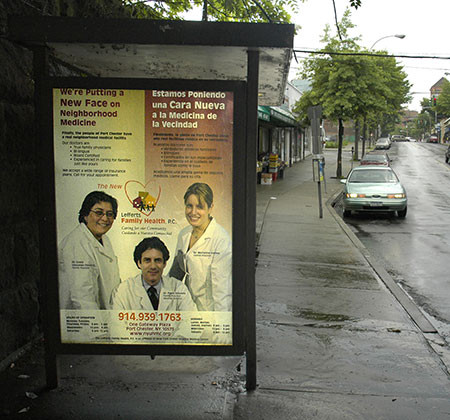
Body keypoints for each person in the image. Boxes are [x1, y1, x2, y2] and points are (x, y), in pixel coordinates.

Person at [169, 182, 232, 312]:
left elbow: (222, 293)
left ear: (210, 208)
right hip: (186, 310)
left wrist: (219, 328)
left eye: (200, 207)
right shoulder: (184, 234)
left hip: (208, 313)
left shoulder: (220, 240)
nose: (193, 212)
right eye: (189, 206)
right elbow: (175, 275)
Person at [58, 191, 121, 310]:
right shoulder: (76, 244)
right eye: (98, 213)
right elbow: (82, 298)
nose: (105, 218)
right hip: (86, 321)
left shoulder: (104, 239)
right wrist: (96, 326)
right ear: (86, 215)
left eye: (110, 214)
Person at [111, 237, 196, 311]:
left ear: (164, 264)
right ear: (139, 263)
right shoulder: (123, 291)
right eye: (147, 260)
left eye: (157, 260)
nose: (153, 266)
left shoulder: (178, 288)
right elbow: (118, 326)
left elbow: (189, 321)